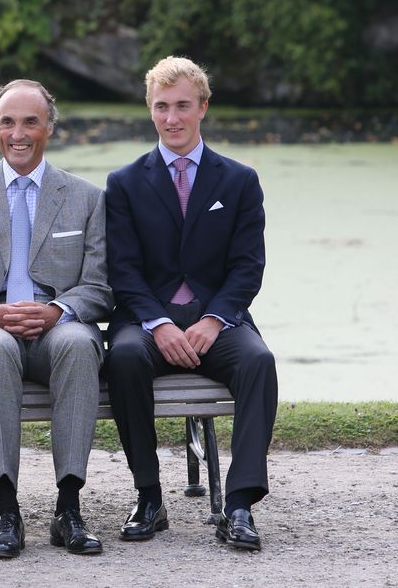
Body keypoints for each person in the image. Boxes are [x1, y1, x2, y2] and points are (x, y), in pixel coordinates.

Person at [103, 55, 278, 551]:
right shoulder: (125, 183)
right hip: (147, 320)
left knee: (259, 362)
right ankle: (149, 495)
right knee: (124, 357)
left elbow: (248, 266)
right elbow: (123, 270)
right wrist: (158, 323)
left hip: (217, 319)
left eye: (182, 105)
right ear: (150, 110)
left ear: (203, 107)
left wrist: (213, 320)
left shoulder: (239, 180)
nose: (172, 118)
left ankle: (239, 505)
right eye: (162, 107)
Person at [0, 79, 112, 558]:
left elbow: (99, 285)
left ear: (49, 128)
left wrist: (57, 311)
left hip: (61, 327)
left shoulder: (87, 198)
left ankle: (68, 509)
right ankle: (6, 510)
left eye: (30, 121)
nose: (18, 133)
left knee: (78, 344)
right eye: (7, 122)